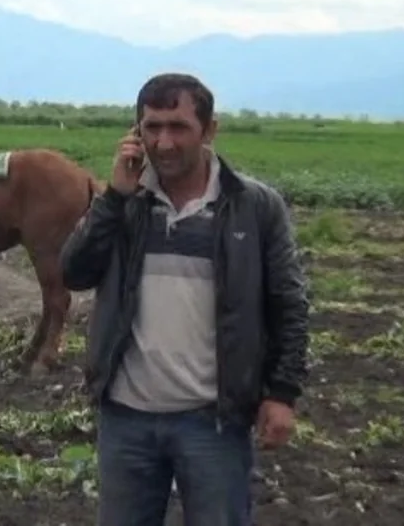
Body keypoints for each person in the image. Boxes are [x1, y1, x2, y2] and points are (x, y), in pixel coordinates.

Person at [60, 73, 309, 526]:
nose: (164, 142)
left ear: (209, 130)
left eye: (178, 127)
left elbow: (288, 305)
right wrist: (114, 198)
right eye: (152, 128)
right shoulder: (125, 204)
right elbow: (74, 273)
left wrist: (282, 393)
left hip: (213, 422)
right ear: (135, 133)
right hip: (126, 419)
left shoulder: (254, 207)